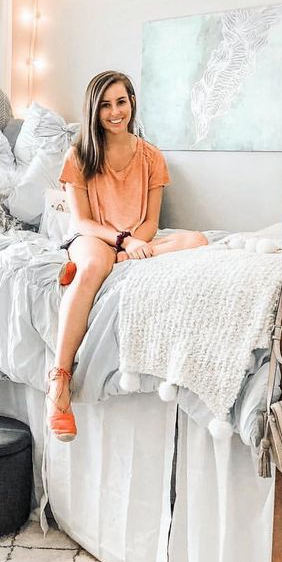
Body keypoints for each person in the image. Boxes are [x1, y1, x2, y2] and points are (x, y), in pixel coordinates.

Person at [47, 70, 208, 442]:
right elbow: (82, 220)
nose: (115, 112)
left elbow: (152, 221)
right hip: (94, 235)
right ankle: (59, 381)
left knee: (197, 240)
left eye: (121, 102)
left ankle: (113, 265)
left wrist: (137, 243)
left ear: (132, 103)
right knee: (92, 266)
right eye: (105, 105)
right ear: (94, 110)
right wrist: (122, 241)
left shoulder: (152, 157)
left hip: (135, 239)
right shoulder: (80, 155)